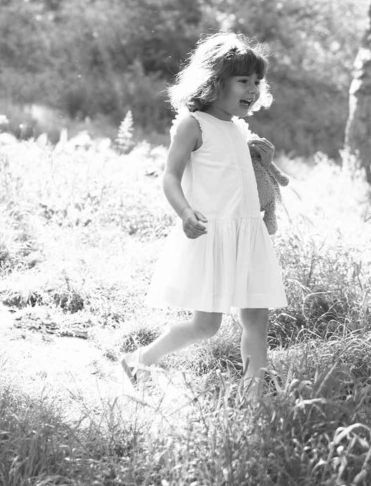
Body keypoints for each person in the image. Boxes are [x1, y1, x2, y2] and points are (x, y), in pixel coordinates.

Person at [120, 32, 287, 400]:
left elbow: (243, 181)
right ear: (214, 82)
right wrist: (184, 212)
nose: (253, 89)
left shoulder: (238, 128)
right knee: (205, 325)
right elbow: (170, 176)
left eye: (257, 82)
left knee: (256, 320)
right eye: (243, 81)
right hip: (212, 234)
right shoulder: (192, 124)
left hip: (248, 234)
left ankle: (254, 396)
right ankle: (141, 359)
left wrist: (260, 161)